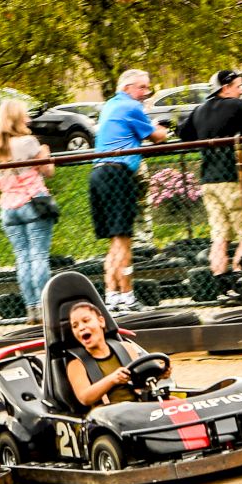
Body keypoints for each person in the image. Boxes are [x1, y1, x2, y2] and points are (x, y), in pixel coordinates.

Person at [92, 70, 169, 313]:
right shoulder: (131, 107)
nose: (147, 93)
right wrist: (161, 128)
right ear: (127, 88)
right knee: (124, 239)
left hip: (99, 174)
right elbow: (158, 137)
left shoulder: (110, 105)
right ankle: (128, 296)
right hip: (118, 173)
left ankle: (111, 296)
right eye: (142, 88)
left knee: (115, 241)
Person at [178, 69, 242, 281]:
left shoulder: (199, 110)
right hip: (233, 179)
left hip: (209, 182)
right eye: (238, 86)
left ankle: (220, 281)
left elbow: (183, 133)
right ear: (225, 88)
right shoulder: (237, 105)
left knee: (219, 237)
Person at [0, 98, 56, 323]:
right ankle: (46, 308)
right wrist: (45, 151)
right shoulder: (28, 142)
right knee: (39, 255)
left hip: (8, 206)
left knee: (22, 259)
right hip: (33, 201)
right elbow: (48, 171)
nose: (28, 117)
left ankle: (32, 308)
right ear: (18, 118)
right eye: (25, 114)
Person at [64, 301, 165, 408]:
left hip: (138, 408)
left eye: (86, 321)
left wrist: (160, 375)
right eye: (75, 326)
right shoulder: (76, 364)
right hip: (108, 415)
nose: (81, 328)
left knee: (174, 401)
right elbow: (85, 398)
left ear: (101, 321)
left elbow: (142, 383)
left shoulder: (126, 347)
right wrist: (112, 379)